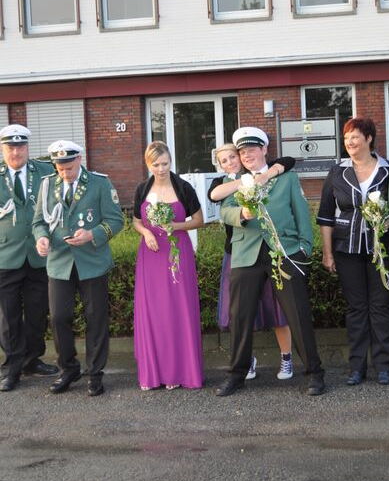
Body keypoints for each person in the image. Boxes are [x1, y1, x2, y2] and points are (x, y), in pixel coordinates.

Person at [216, 127, 324, 397]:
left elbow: (301, 212)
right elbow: (224, 211)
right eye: (242, 151)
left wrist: (304, 248)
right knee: (240, 317)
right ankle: (236, 375)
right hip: (246, 253)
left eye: (252, 149)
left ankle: (314, 373)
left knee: (297, 314)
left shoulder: (285, 178)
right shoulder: (237, 181)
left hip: (284, 250)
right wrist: (242, 213)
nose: (247, 155)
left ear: (264, 149)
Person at [33, 140, 124, 396]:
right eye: (60, 168)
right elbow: (39, 222)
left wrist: (92, 234)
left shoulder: (99, 183)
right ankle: (68, 368)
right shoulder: (47, 184)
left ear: (79, 160)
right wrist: (41, 238)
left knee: (95, 318)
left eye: (69, 168)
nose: (65, 173)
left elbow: (116, 220)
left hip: (92, 262)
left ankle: (95, 373)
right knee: (59, 317)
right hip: (59, 262)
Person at [317, 117, 389, 386]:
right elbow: (325, 216)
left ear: (369, 138)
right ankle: (357, 367)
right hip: (346, 249)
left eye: (355, 136)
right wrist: (327, 253)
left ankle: (383, 366)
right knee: (356, 308)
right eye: (346, 138)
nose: (350, 142)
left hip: (382, 249)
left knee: (382, 306)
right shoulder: (336, 172)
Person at [208, 143, 294, 381]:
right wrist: (246, 182)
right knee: (242, 312)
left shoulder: (259, 172)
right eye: (224, 161)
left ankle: (286, 357)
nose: (230, 163)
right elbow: (214, 195)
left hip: (268, 249)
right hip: (237, 254)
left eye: (232, 157)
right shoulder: (222, 182)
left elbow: (288, 161)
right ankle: (248, 360)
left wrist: (266, 174)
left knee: (276, 307)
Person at [133, 141, 204, 391]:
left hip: (177, 253)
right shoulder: (142, 189)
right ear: (148, 164)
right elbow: (135, 221)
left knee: (177, 309)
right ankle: (154, 374)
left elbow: (199, 220)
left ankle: (178, 371)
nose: (161, 169)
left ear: (171, 161)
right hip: (151, 255)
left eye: (165, 163)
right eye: (156, 164)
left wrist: (176, 226)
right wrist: (146, 233)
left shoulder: (183, 187)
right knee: (153, 311)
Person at [0, 124, 58, 392]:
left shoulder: (45, 172)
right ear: (3, 149)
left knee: (37, 313)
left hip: (38, 255)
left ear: (27, 147)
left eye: (20, 146)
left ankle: (32, 360)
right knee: (8, 317)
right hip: (5, 256)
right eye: (10, 147)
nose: (16, 152)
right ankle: (12, 368)